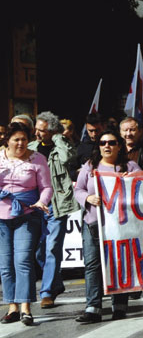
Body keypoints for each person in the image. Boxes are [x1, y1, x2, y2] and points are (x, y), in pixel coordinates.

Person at [74, 130, 141, 323]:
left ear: (119, 145)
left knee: (118, 264)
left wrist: (133, 181)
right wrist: (87, 198)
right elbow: (78, 189)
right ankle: (93, 307)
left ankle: (119, 305)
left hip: (120, 225)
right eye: (103, 143)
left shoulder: (130, 166)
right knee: (93, 265)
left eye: (111, 142)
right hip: (93, 223)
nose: (107, 146)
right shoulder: (90, 166)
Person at [0, 122, 52, 326]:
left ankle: (25, 307)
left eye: (24, 139)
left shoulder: (38, 159)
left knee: (22, 260)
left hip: (28, 213)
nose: (21, 144)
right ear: (7, 141)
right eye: (16, 140)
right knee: (5, 264)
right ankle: (11, 306)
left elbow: (46, 187)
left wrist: (42, 201)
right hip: (2, 216)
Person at [29, 111, 80, 309]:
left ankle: (47, 291)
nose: (37, 134)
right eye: (36, 129)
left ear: (51, 132)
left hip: (57, 204)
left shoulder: (62, 146)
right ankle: (57, 283)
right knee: (39, 252)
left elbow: (68, 158)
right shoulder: (32, 148)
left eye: (42, 131)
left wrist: (59, 137)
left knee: (53, 247)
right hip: (35, 203)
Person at [70, 112, 105, 181]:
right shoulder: (80, 148)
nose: (94, 134)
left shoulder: (111, 144)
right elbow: (70, 171)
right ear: (86, 128)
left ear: (103, 127)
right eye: (91, 131)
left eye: (97, 130)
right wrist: (77, 173)